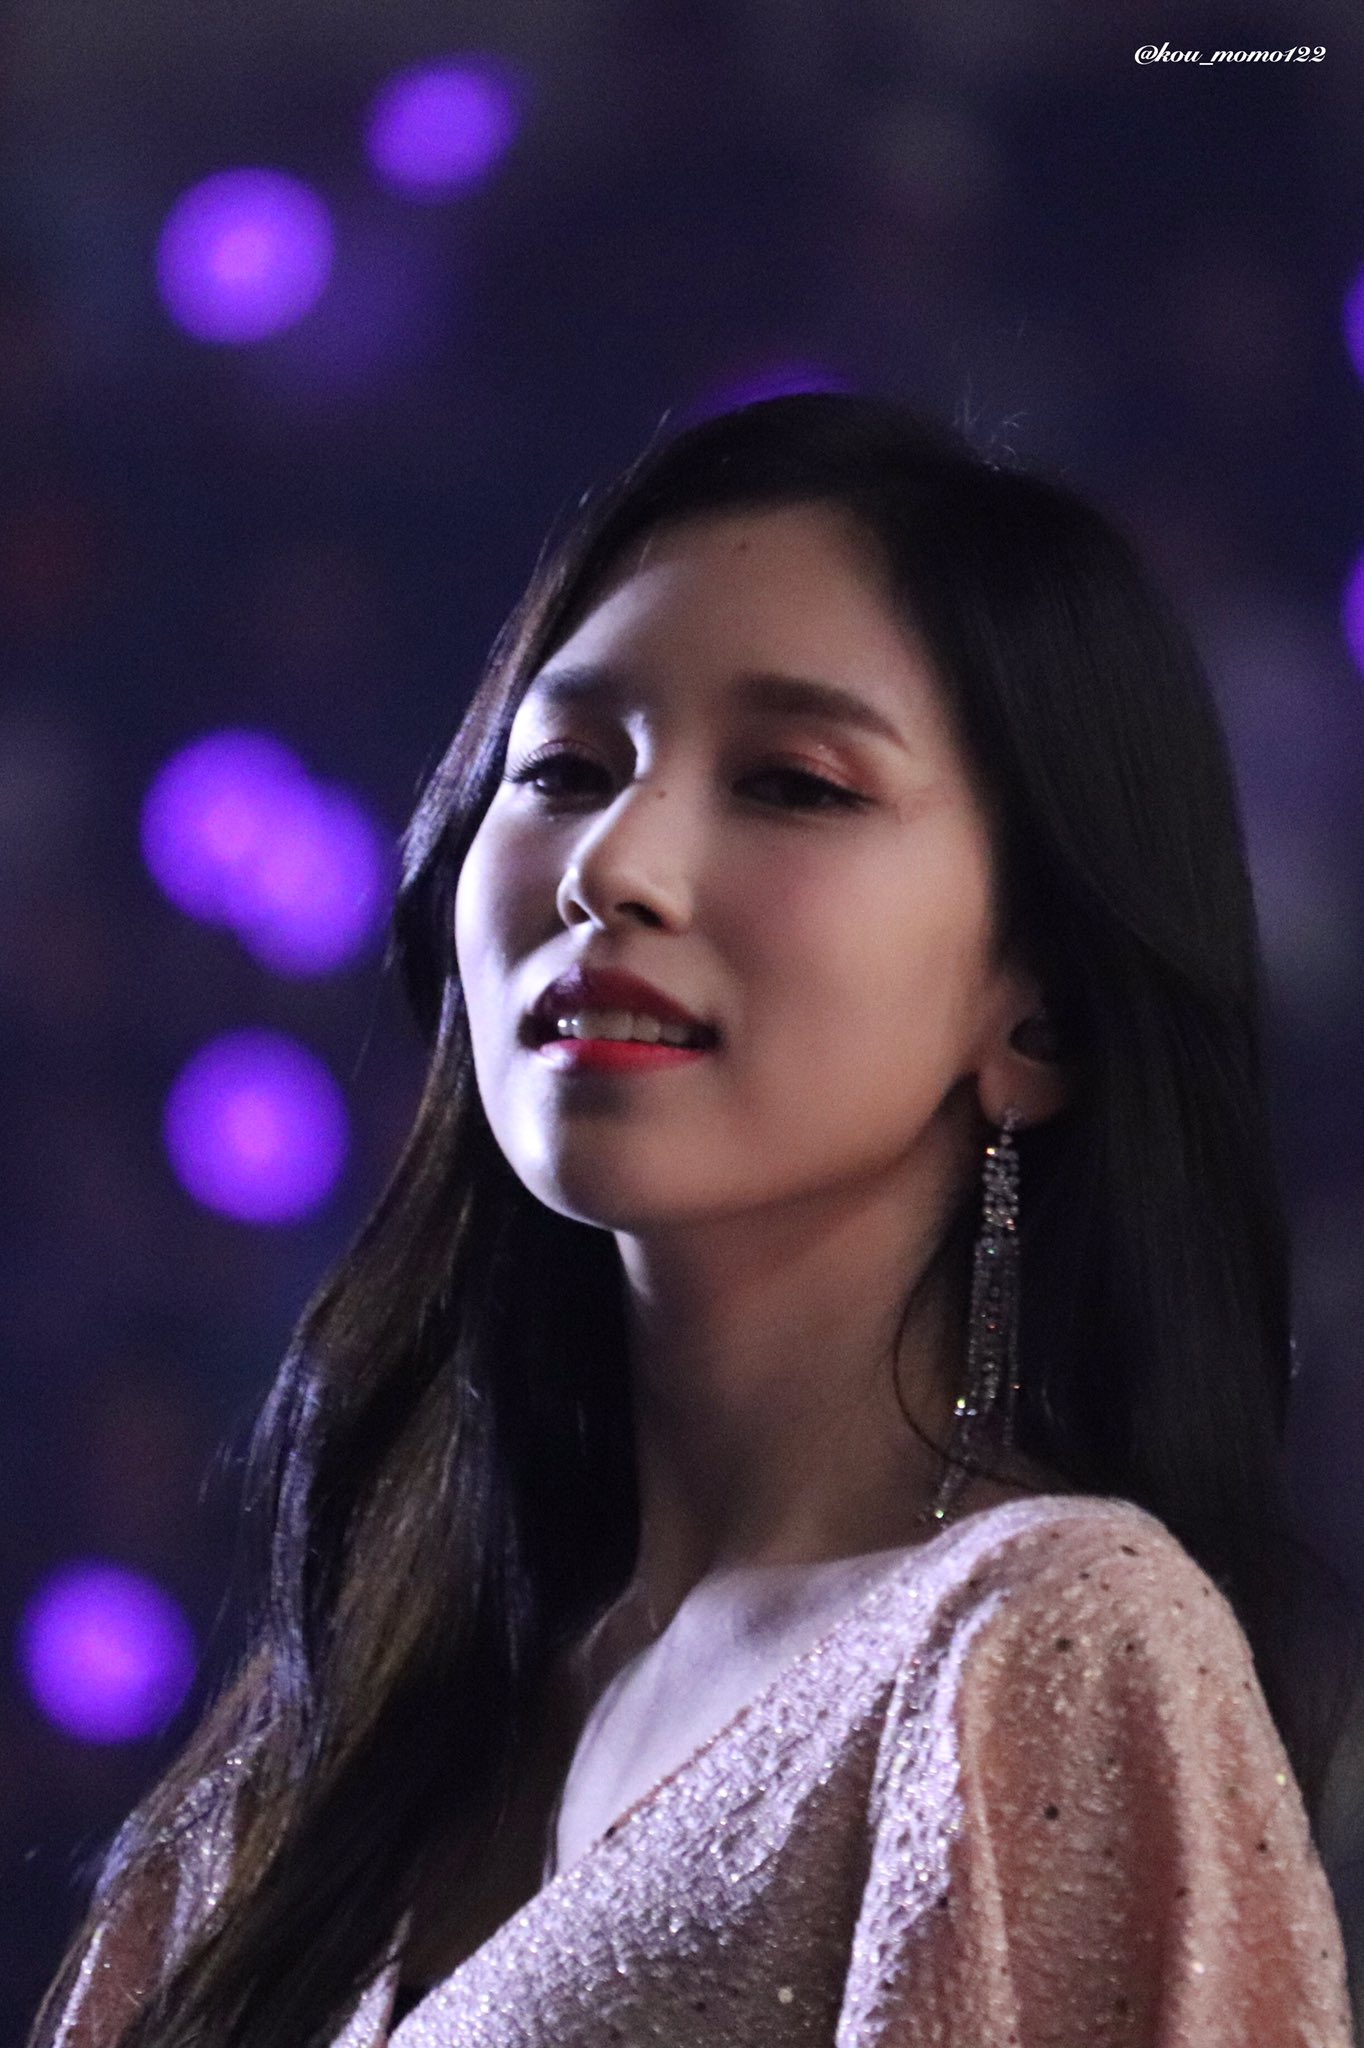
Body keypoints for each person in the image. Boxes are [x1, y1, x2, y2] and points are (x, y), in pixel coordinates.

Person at [30, 391, 1358, 2048]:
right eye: (565, 769)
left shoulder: (1043, 1648)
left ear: (1040, 1015)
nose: (613, 866)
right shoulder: (330, 1739)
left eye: (794, 783)